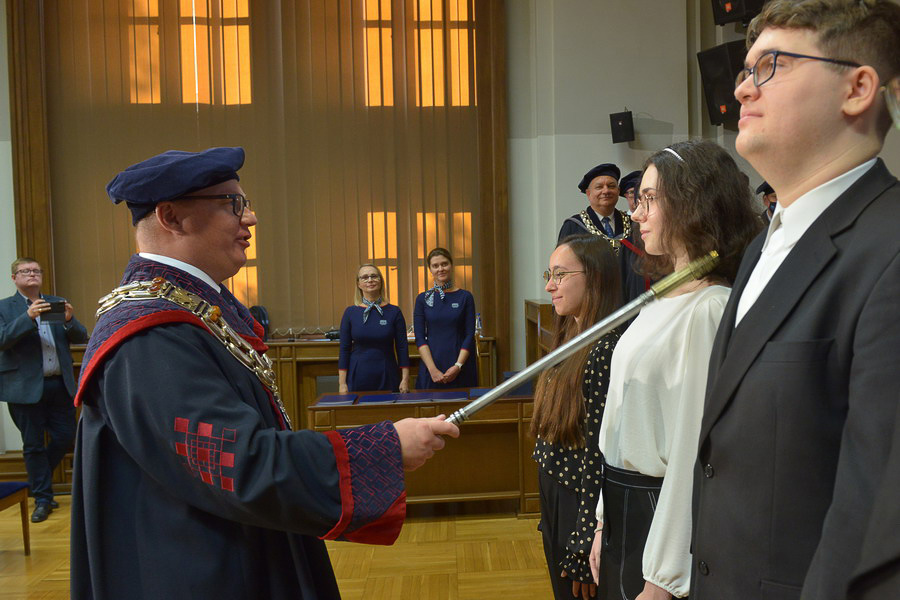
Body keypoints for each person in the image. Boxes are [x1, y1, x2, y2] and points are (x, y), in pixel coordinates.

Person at [71, 147, 459, 599]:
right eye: (232, 204)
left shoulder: (188, 307)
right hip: (198, 569)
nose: (250, 218)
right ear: (171, 217)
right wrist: (386, 447)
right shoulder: (151, 336)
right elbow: (238, 463)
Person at [690, 2, 900, 599]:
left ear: (857, 88)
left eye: (772, 65)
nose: (741, 89)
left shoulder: (890, 248)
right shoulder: (765, 244)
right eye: (745, 70)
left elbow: (876, 529)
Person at [588, 140, 761, 600]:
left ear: (692, 203)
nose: (636, 213)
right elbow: (618, 421)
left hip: (659, 521)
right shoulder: (662, 298)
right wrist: (604, 520)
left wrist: (662, 577)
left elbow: (692, 453)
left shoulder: (709, 308)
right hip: (623, 510)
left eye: (648, 199)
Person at [531, 235, 622, 600]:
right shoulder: (570, 334)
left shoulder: (605, 349)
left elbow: (598, 454)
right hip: (555, 490)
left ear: (594, 277)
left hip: (579, 500)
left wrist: (583, 539)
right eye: (548, 275)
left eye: (560, 275)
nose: (550, 286)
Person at [0, 258, 88, 523]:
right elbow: (3, 340)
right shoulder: (5, 307)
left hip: (59, 384)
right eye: (25, 271)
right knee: (33, 445)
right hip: (24, 388)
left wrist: (69, 320)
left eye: (36, 271)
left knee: (66, 436)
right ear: (14, 278)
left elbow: (80, 337)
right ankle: (42, 499)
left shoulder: (55, 303)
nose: (32, 274)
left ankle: (39, 482)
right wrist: (28, 317)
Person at [558, 164, 647, 304]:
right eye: (599, 187)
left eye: (611, 186)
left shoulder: (633, 224)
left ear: (618, 191)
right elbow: (562, 270)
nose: (606, 191)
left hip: (627, 298)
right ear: (588, 193)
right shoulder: (574, 226)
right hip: (590, 300)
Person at [338, 264, 410, 393]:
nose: (370, 280)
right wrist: (342, 383)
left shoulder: (394, 312)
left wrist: (405, 379)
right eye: (365, 277)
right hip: (358, 375)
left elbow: (402, 347)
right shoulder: (350, 313)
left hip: (387, 374)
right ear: (358, 284)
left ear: (381, 281)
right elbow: (344, 349)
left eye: (374, 276)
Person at [413, 248, 478, 389]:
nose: (440, 269)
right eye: (435, 266)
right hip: (432, 367)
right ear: (430, 269)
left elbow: (469, 335)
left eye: (444, 264)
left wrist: (458, 366)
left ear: (451, 265)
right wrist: (432, 369)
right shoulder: (423, 299)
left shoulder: (465, 297)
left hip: (460, 366)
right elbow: (420, 337)